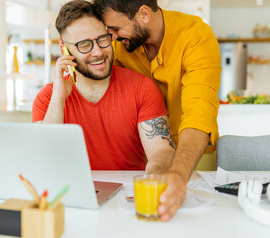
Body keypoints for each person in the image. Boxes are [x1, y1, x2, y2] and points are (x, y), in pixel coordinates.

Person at [92, 0, 221, 221]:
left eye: (116, 28)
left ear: (143, 14)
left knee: (194, 224)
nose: (112, 36)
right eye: (108, 30)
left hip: (191, 156)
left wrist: (179, 176)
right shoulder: (120, 45)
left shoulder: (196, 36)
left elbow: (199, 114)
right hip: (143, 157)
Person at [32, 0, 175, 174]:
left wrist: (153, 176)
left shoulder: (142, 88)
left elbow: (162, 151)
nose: (98, 52)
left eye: (102, 39)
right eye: (84, 44)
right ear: (65, 50)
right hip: (70, 195)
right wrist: (59, 99)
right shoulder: (48, 98)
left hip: (128, 194)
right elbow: (43, 160)